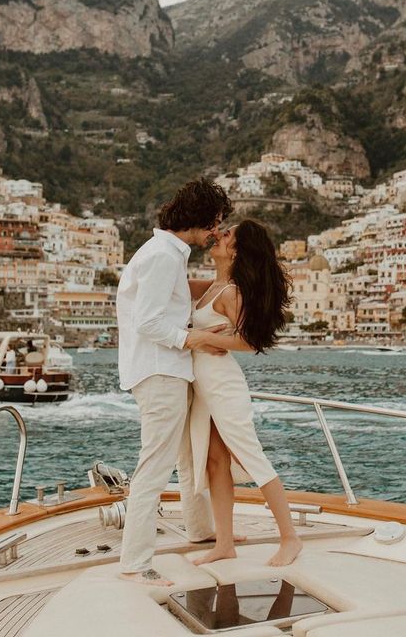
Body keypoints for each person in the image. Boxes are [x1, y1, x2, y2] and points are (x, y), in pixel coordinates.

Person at [117, 178, 233, 586]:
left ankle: (199, 528)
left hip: (166, 369)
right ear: (198, 219)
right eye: (215, 223)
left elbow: (174, 299)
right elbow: (147, 321)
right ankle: (135, 564)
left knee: (186, 458)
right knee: (156, 465)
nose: (216, 232)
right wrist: (197, 337)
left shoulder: (165, 253)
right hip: (159, 370)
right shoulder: (163, 256)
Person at [186, 219, 303, 567]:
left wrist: (205, 337)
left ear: (236, 250)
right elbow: (172, 286)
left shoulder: (231, 292)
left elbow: (249, 341)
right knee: (214, 461)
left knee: (251, 456)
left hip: (222, 384)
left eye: (226, 235)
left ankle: (290, 538)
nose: (218, 238)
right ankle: (224, 544)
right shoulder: (213, 286)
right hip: (204, 387)